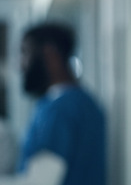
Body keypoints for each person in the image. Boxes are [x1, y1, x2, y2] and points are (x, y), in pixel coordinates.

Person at [0, 22, 106, 185]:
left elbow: (39, 182)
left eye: (25, 53)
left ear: (50, 54)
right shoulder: (87, 103)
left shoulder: (59, 110)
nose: (20, 65)